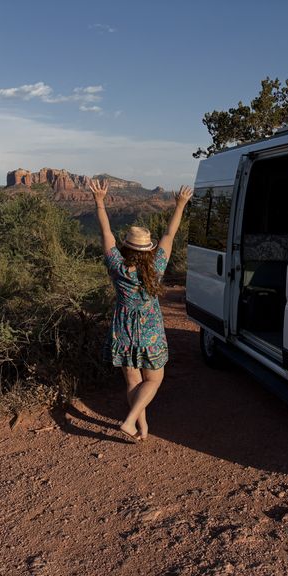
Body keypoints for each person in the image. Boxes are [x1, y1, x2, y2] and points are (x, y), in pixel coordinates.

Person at [89, 177, 192, 442]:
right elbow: (170, 234)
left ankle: (140, 428)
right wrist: (180, 204)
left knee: (134, 383)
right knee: (154, 381)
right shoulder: (156, 267)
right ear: (149, 249)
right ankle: (130, 420)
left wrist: (99, 202)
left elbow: (106, 233)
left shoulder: (117, 267)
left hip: (122, 332)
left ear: (126, 248)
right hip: (150, 334)